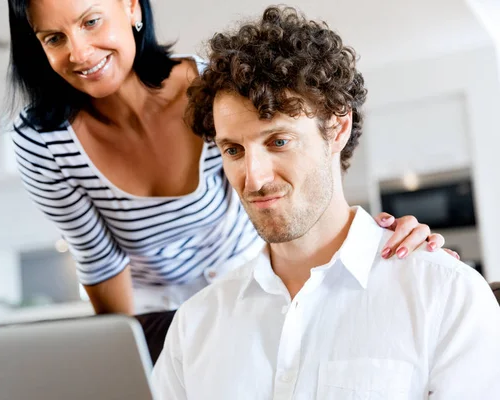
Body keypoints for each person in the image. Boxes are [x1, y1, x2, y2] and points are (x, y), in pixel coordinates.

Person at [6, 0, 453, 347]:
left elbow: (286, 193)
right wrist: (135, 349)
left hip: (246, 271)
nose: (79, 53)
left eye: (90, 21)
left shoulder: (211, 90)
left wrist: (372, 250)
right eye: (53, 38)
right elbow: (99, 260)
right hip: (151, 303)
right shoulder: (43, 141)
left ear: (131, 7)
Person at [152, 6, 500, 399]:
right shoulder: (194, 325)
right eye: (233, 150)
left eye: (278, 142)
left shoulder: (445, 295)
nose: (255, 178)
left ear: (337, 128)